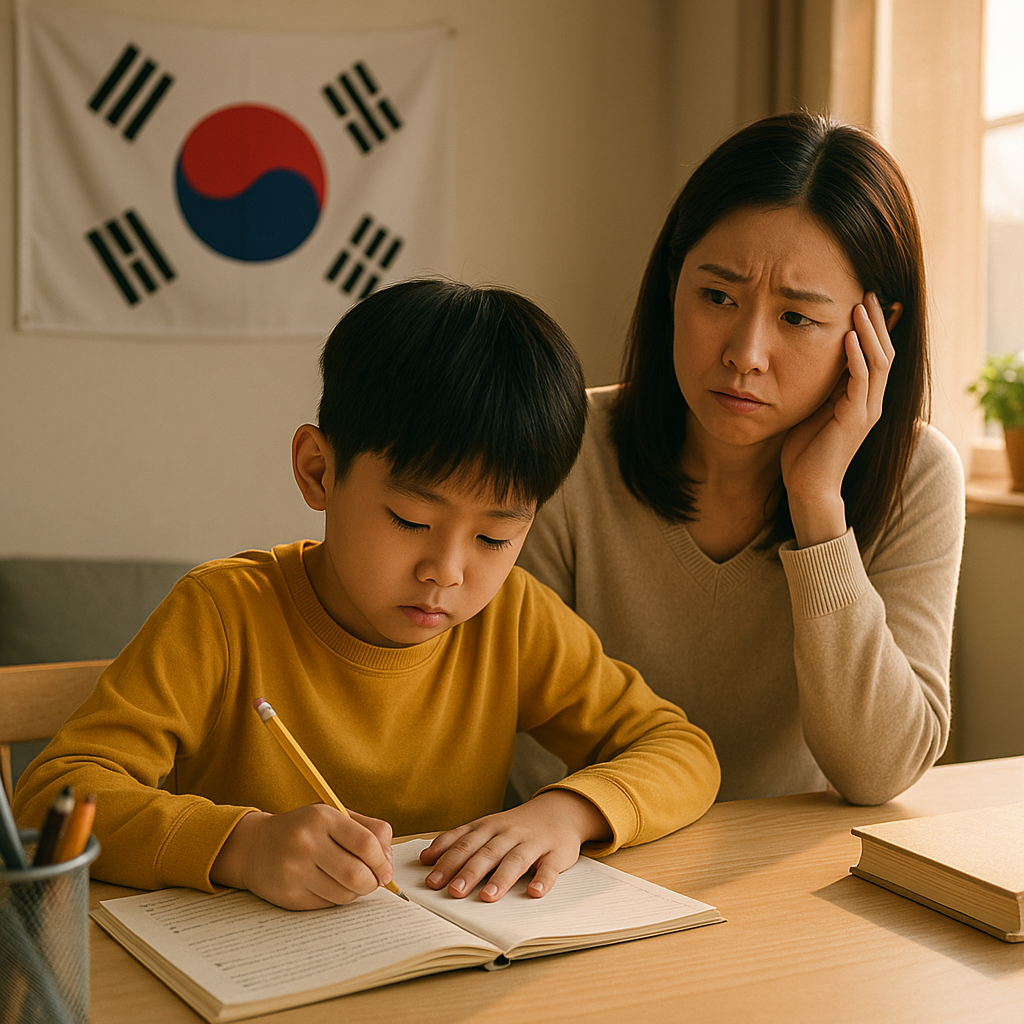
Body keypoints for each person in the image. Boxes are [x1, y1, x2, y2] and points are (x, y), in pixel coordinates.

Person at [13, 279, 719, 910]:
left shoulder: (513, 621)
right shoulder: (223, 616)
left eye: (495, 539)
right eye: (411, 521)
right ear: (318, 471)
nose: (446, 570)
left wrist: (569, 812)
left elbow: (680, 749)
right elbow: (56, 794)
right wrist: (242, 845)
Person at [516, 112, 965, 807]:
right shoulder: (566, 445)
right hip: (583, 862)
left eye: (796, 318)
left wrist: (819, 507)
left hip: (791, 885)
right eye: (718, 296)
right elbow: (522, 741)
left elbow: (879, 772)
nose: (744, 354)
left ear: (879, 329)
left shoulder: (918, 477)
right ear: (674, 284)